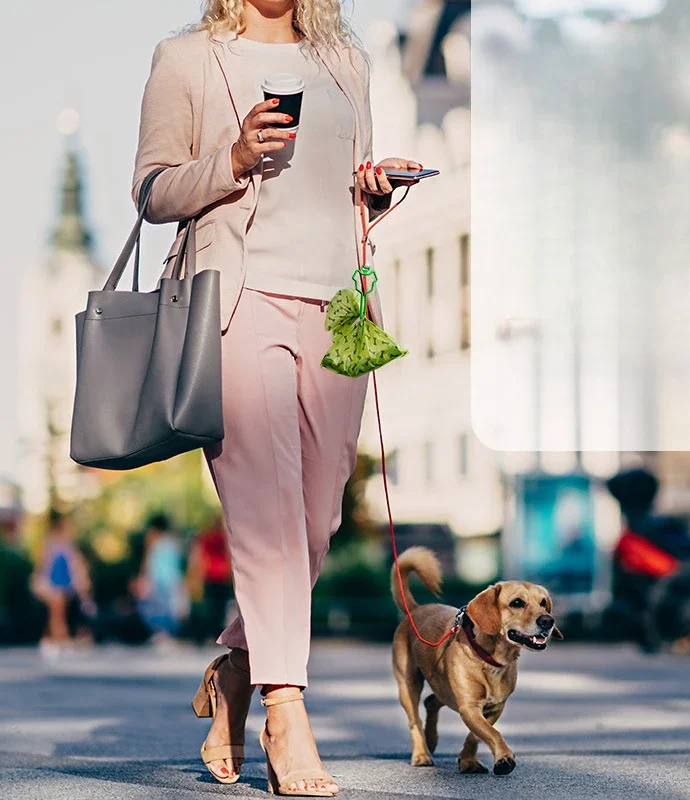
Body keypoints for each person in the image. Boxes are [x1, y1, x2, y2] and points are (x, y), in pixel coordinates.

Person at [133, 1, 423, 794]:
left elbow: (343, 195)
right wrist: (230, 157)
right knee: (265, 516)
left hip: (337, 309)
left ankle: (233, 664)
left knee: (317, 519)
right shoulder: (189, 57)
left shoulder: (344, 62)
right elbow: (154, 192)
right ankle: (285, 712)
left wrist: (374, 191)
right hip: (237, 302)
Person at [31, 510, 94, 656]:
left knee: (58, 613)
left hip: (64, 585)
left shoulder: (68, 546)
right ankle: (60, 640)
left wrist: (81, 587)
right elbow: (44, 566)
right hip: (52, 585)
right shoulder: (50, 544)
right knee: (57, 612)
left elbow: (75, 567)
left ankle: (50, 640)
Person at [131, 513, 188, 640]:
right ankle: (169, 634)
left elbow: (149, 565)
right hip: (172, 581)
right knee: (169, 610)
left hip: (159, 582)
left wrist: (144, 579)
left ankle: (163, 633)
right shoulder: (173, 543)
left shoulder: (154, 544)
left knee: (157, 609)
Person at [185, 515, 234, 644]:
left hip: (210, 575)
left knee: (211, 606)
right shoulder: (224, 536)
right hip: (222, 575)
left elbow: (202, 555)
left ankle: (208, 633)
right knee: (219, 607)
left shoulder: (207, 536)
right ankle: (216, 634)